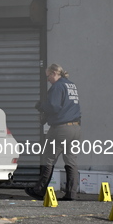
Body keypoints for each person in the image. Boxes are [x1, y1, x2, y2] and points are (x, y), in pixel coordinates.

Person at [25, 63, 82, 201]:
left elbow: (54, 107)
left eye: (48, 76)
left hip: (61, 128)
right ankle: (71, 194)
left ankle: (39, 191)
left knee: (48, 159)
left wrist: (41, 105)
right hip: (75, 128)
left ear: (54, 73)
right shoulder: (71, 85)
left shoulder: (57, 86)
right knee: (71, 161)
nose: (48, 79)